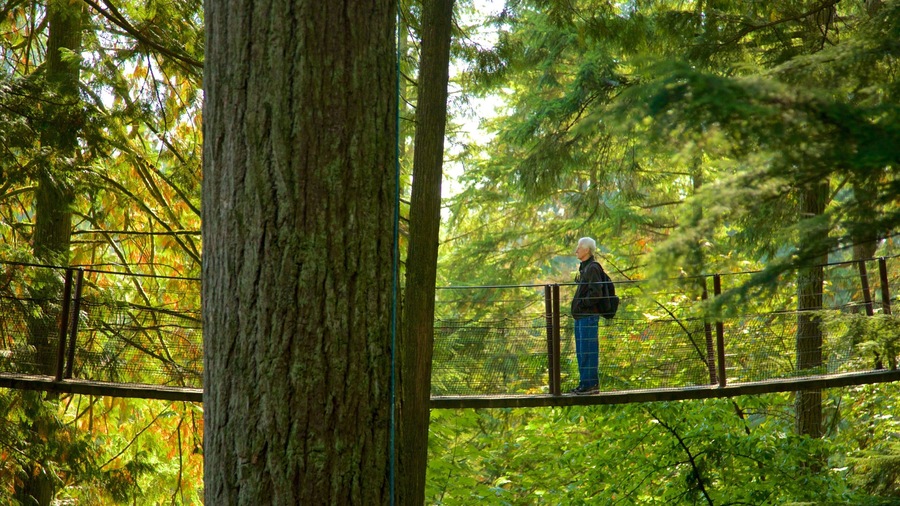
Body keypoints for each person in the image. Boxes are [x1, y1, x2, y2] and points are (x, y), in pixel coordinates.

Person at [569, 237, 605, 395]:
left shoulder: (592, 268)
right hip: (582, 316)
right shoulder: (584, 268)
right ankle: (585, 384)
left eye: (579, 247)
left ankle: (590, 385)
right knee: (582, 351)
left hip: (588, 316)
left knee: (588, 350)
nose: (576, 250)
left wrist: (582, 304)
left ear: (587, 250)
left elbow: (596, 293)